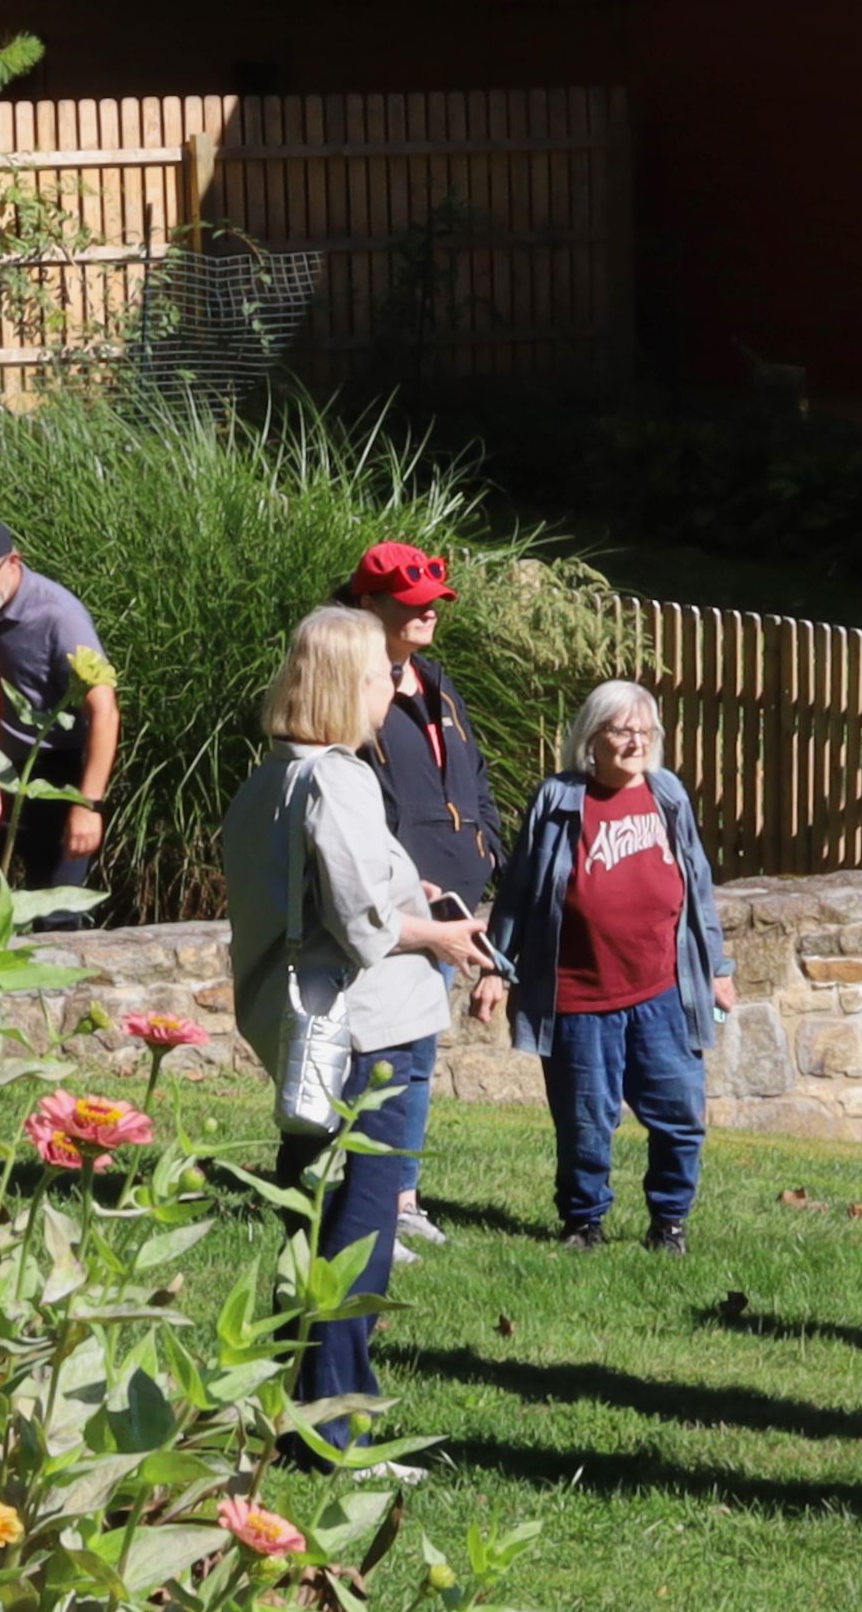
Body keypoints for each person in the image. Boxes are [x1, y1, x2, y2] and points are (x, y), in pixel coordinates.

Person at [221, 604, 490, 1436]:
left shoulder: (271, 774)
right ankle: (331, 1429)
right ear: (348, 683)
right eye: (380, 674)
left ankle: (292, 1407)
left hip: (314, 1033)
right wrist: (441, 931)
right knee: (355, 1239)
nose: (392, 686)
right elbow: (361, 920)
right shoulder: (337, 777)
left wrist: (415, 894)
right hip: (366, 1035)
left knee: (311, 1219)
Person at [503, 681, 736, 1252]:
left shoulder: (667, 795)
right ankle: (585, 1223)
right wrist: (496, 966)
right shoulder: (558, 800)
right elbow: (519, 889)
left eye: (644, 730)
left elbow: (697, 886)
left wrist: (719, 967)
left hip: (664, 989)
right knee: (585, 1122)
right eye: (621, 730)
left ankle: (670, 1221)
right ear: (592, 737)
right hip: (579, 996)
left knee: (681, 1112)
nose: (635, 741)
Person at [342, 540, 509, 1248]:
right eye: (410, 604)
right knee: (376, 1058)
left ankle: (399, 1197)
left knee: (415, 1056)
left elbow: (473, 778)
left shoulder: (435, 684)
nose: (426, 614)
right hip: (391, 903)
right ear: (367, 604)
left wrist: (486, 848)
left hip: (450, 909)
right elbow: (353, 799)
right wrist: (406, 880)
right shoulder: (350, 688)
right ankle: (363, 1204)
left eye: (433, 603)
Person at [0, 520, 123, 913]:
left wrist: (87, 806)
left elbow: (105, 710)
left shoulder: (57, 616)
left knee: (57, 916)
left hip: (56, 771)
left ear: (15, 561)